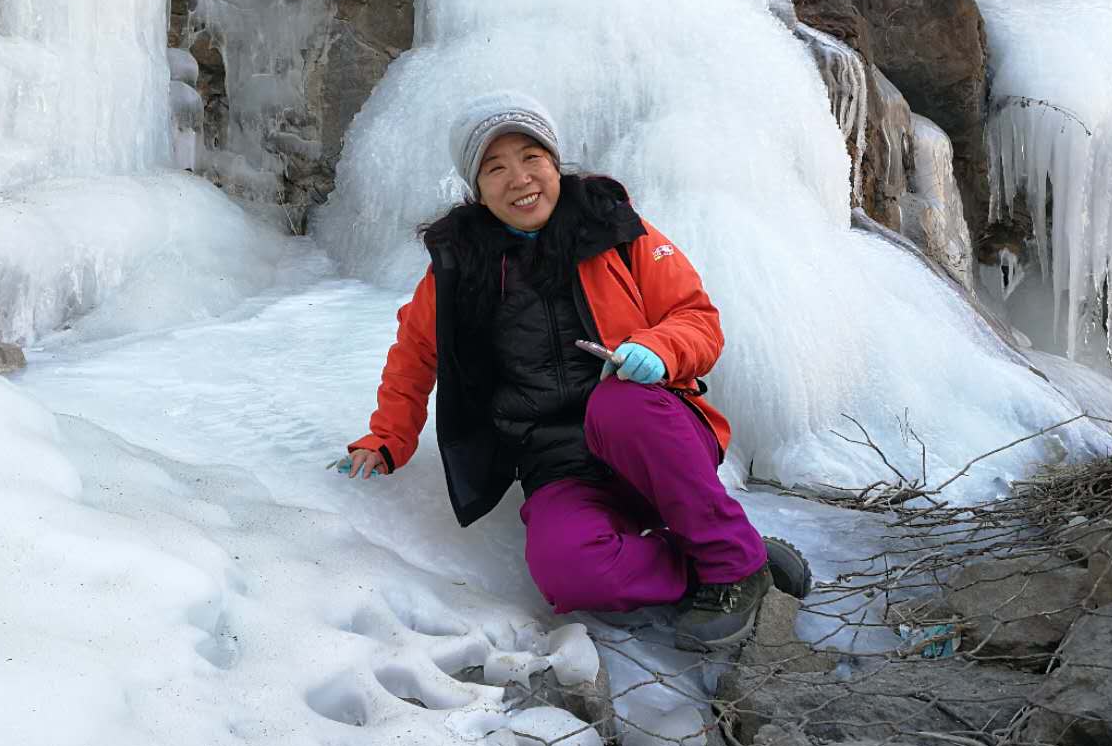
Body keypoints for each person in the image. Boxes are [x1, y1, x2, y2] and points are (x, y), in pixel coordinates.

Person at [342, 92, 808, 649]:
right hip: (557, 462)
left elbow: (697, 319)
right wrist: (386, 439)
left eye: (531, 158)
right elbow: (415, 353)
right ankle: (726, 556)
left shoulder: (614, 229)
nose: (519, 179)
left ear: (554, 162)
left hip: (652, 440)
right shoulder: (459, 266)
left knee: (616, 403)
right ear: (477, 188)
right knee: (569, 574)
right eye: (495, 168)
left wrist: (658, 349)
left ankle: (734, 567)